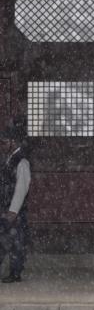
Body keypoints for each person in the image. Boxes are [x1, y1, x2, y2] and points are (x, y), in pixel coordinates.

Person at [0, 115, 31, 284]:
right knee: (6, 241)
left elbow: (21, 188)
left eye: (4, 142)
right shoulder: (9, 159)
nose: (2, 145)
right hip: (6, 208)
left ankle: (15, 272)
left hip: (14, 211)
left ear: (13, 141)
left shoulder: (21, 161)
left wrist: (13, 210)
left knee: (16, 243)